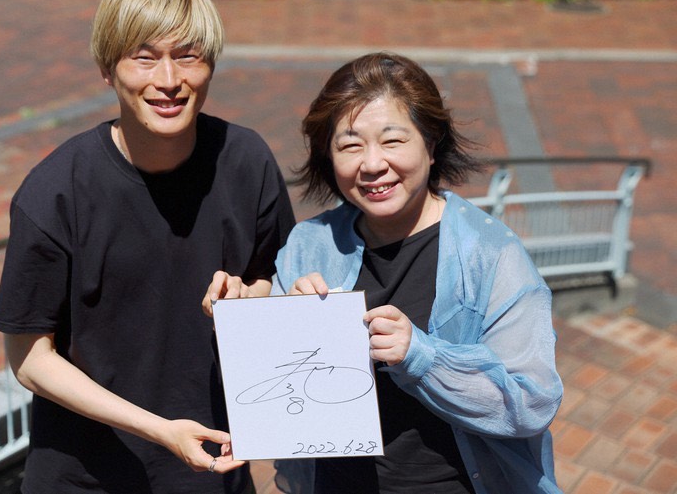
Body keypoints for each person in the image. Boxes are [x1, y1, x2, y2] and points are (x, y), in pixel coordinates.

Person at [0, 0, 295, 494]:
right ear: (107, 68)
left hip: (217, 467)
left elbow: (270, 277)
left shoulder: (247, 161)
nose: (169, 79)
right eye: (144, 57)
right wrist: (160, 430)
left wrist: (247, 298)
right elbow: (30, 359)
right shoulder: (55, 192)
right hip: (85, 478)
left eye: (188, 55)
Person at [207, 52, 563, 493]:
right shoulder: (310, 244)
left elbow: (531, 403)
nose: (372, 164)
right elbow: (271, 389)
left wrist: (421, 356)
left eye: (392, 141)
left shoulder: (490, 254)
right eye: (350, 145)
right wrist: (246, 317)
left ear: (431, 144)